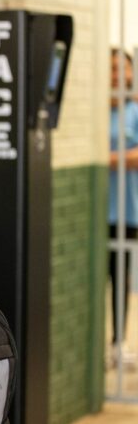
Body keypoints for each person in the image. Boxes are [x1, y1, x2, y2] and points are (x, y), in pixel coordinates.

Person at [108, 48, 138, 361]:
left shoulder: (134, 111)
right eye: (112, 69)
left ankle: (118, 341)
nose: (118, 75)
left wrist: (106, 159)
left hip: (126, 211)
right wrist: (123, 157)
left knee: (120, 278)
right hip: (97, 211)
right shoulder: (95, 111)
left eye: (123, 69)